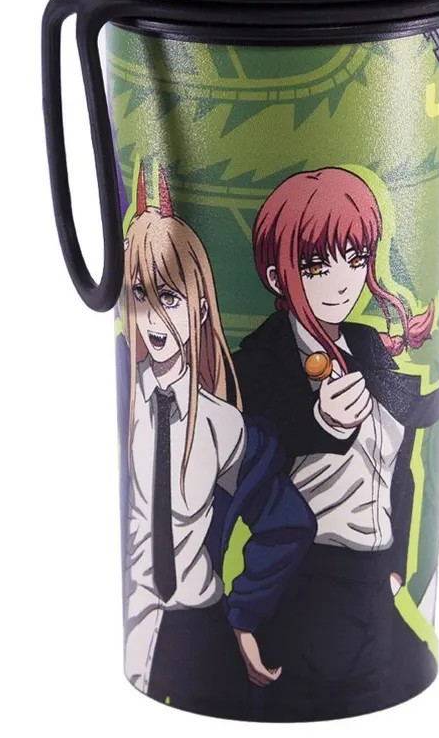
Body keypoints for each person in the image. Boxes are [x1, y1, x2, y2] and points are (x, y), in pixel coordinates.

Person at [232, 166, 439, 721]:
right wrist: (321, 421)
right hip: (308, 582)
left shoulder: (365, 343)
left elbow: (400, 453)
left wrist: (395, 563)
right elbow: (256, 452)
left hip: (375, 583)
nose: (342, 281)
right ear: (277, 276)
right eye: (316, 265)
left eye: (355, 257)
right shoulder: (260, 360)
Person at [120, 166, 315, 718]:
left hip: (196, 622)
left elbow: (288, 523)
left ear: (201, 306)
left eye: (170, 297)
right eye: (140, 294)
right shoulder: (131, 398)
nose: (154, 318)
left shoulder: (221, 425)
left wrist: (244, 616)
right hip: (136, 618)